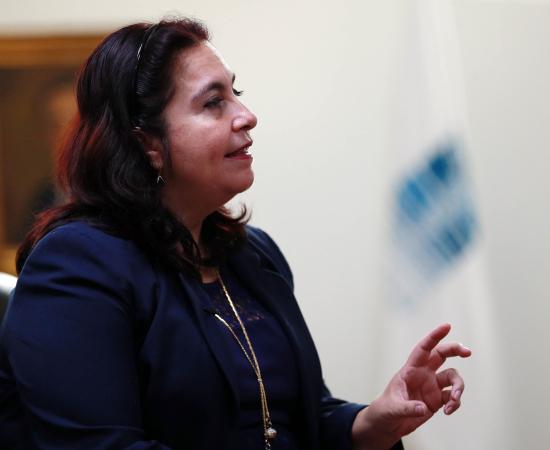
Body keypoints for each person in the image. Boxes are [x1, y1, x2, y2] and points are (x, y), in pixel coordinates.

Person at [0, 18, 471, 450]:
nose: (246, 115)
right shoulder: (77, 264)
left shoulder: (252, 256)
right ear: (148, 144)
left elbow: (298, 421)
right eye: (213, 102)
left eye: (235, 93)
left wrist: (372, 423)